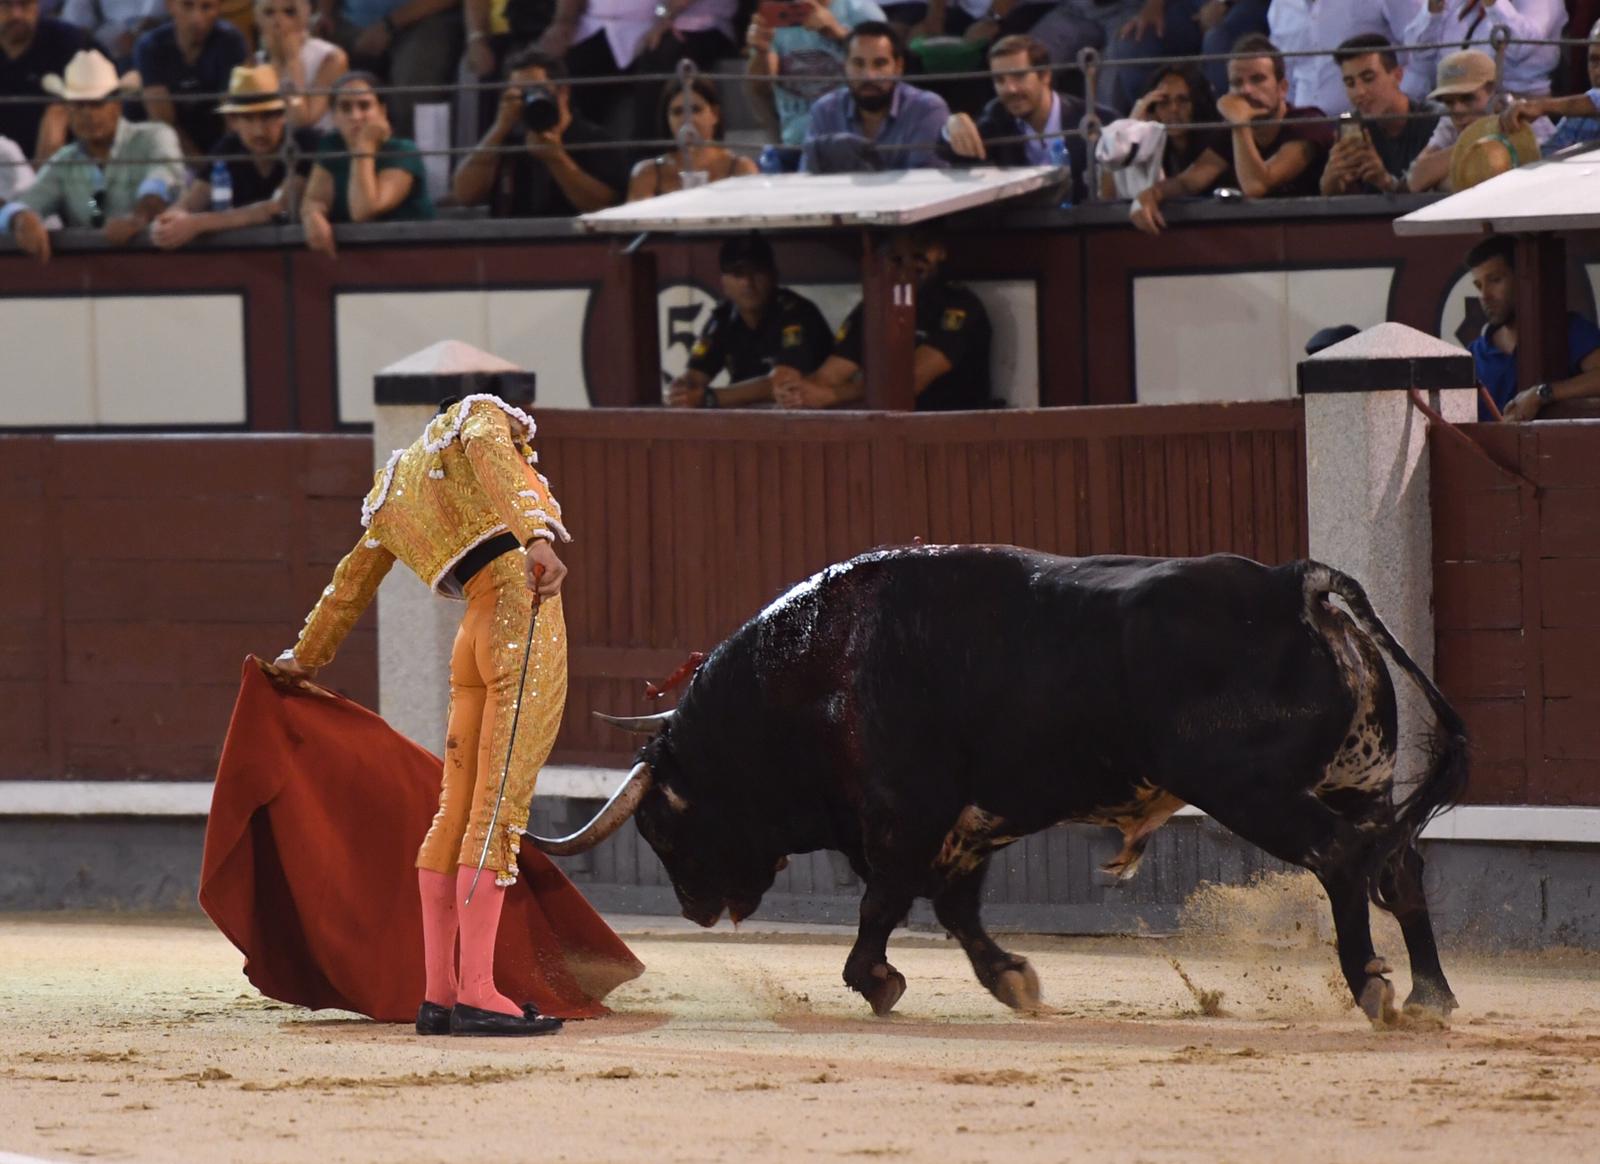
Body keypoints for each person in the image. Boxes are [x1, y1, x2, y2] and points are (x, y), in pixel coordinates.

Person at [270, 393, 573, 1037]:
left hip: (471, 634)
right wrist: (537, 535)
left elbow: (350, 582)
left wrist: (305, 656)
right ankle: (479, 992)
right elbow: (494, 455)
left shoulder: (396, 487)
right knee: (497, 805)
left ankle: (440, 994)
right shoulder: (481, 418)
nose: (522, 442)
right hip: (519, 612)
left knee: (454, 809)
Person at [0, 48, 182, 263]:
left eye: (97, 103)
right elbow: (28, 201)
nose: (87, 114)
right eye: (78, 105)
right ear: (68, 110)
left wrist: (138, 217)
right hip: (95, 272)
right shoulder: (64, 162)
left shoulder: (154, 137)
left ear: (117, 105)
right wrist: (20, 218)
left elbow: (162, 180)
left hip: (165, 261)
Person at [777, 230, 990, 410]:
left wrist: (833, 395)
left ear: (941, 251)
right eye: (898, 256)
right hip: (889, 428)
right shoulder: (875, 307)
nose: (909, 262)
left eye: (920, 251)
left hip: (951, 429)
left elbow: (909, 381)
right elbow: (829, 375)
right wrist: (797, 392)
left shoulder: (959, 304)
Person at [150, 63, 321, 247]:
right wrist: (168, 221)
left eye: (268, 116)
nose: (259, 130)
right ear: (233, 121)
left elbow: (279, 206)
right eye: (248, 118)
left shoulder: (302, 143)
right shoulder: (228, 148)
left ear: (283, 116)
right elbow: (191, 202)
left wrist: (198, 223)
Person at [450, 46, 628, 216]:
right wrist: (499, 128)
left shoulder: (594, 139)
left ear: (563, 91)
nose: (530, 98)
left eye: (537, 90)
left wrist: (556, 158)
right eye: (521, 92)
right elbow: (465, 196)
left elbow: (606, 207)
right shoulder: (505, 140)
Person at [941, 33, 1117, 204]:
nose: (1010, 89)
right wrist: (952, 126)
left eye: (1019, 76)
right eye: (1000, 80)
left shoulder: (1098, 120)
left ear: (1045, 75)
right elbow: (953, 154)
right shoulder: (997, 116)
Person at [664, 233, 835, 408]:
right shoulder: (723, 319)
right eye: (738, 274)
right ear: (723, 282)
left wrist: (710, 398)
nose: (748, 283)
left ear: (773, 276)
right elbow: (695, 377)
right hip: (747, 418)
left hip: (804, 416)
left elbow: (783, 382)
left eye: (757, 272)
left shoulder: (796, 313)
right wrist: (682, 389)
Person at [1465, 235, 1600, 422]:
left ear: (1522, 279)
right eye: (1479, 285)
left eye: (1495, 280)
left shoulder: (1567, 330)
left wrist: (1543, 394)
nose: (1485, 295)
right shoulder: (1474, 355)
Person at [300, 70, 434, 255]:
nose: (356, 116)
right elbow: (315, 199)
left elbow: (363, 211)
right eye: (345, 108)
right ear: (334, 117)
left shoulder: (403, 151)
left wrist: (365, 145)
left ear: (382, 111)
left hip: (412, 255)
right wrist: (313, 215)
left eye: (364, 106)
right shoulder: (332, 145)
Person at [801, 20, 949, 172]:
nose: (869, 76)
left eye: (880, 63)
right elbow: (807, 177)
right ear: (845, 66)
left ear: (898, 67)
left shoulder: (926, 109)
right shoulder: (824, 111)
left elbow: (925, 180)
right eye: (858, 63)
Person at [745, 0, 885, 158]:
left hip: (857, 143)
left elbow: (885, 73)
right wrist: (762, 52)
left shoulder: (859, 10)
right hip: (797, 144)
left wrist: (839, 33)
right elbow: (760, 87)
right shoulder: (776, 12)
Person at [314, 0, 462, 137]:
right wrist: (325, 13)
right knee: (317, 61)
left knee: (412, 91)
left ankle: (410, 153)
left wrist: (389, 24)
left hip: (423, 18)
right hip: (349, 20)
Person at [1319, 34, 1438, 196]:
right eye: (1350, 83)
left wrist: (1385, 181)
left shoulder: (1434, 120)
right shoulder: (1351, 124)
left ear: (1397, 76)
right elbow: (1339, 196)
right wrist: (1331, 181)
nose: (1359, 92)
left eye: (1368, 78)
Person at [1214, 32, 1330, 199]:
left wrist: (1240, 124)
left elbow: (1256, 186)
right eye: (1237, 83)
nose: (1246, 90)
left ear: (1282, 88)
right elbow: (1188, 182)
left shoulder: (1309, 123)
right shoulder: (1229, 130)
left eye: (1257, 79)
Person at [1269, 0, 1427, 117]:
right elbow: (1284, 74)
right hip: (1307, 132)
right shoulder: (1281, 6)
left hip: (1381, 125)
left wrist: (1399, 103)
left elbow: (1423, 49)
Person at [1122, 61, 1228, 234]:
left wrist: (1153, 194)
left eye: (1183, 100)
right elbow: (1108, 193)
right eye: (1164, 102)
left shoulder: (1220, 137)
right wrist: (1134, 124)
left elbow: (1187, 184)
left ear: (1198, 103)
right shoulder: (1153, 143)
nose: (1173, 109)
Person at [133, 0, 250, 156]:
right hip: (173, 148)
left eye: (207, 7)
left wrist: (218, 165)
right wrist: (199, 166)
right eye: (187, 5)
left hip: (220, 141)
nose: (197, 18)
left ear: (218, 9)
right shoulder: (150, 47)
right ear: (170, 5)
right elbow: (163, 123)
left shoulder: (231, 41)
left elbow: (232, 117)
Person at [1402, 0, 1565, 111]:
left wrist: (1493, 4)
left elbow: (1519, 46)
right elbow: (1418, 52)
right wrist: (1433, 13)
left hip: (1519, 109)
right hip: (1454, 107)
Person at [626, 74, 756, 202]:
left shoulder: (740, 168)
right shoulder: (647, 174)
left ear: (714, 114)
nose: (686, 119)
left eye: (695, 109)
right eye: (677, 112)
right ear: (667, 119)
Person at [0, 0, 85, 165]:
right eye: (6, 4)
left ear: (37, 6)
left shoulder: (66, 41)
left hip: (59, 164)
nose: (16, 14)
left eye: (25, 4)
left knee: (58, 111)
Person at [1502, 19, 1600, 154]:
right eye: (1594, 60)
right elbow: (1546, 158)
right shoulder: (1577, 121)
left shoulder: (1568, 109)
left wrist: (1540, 106)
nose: (1598, 71)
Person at [254, 0, 348, 130]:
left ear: (306, 14)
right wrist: (276, 60)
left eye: (289, 12)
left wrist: (292, 61)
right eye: (269, 12)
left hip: (318, 139)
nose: (278, 21)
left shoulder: (331, 57)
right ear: (257, 18)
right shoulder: (254, 62)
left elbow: (301, 122)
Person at [59, 0, 162, 69]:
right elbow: (76, 27)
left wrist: (136, 33)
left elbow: (158, 13)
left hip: (152, 38)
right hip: (107, 50)